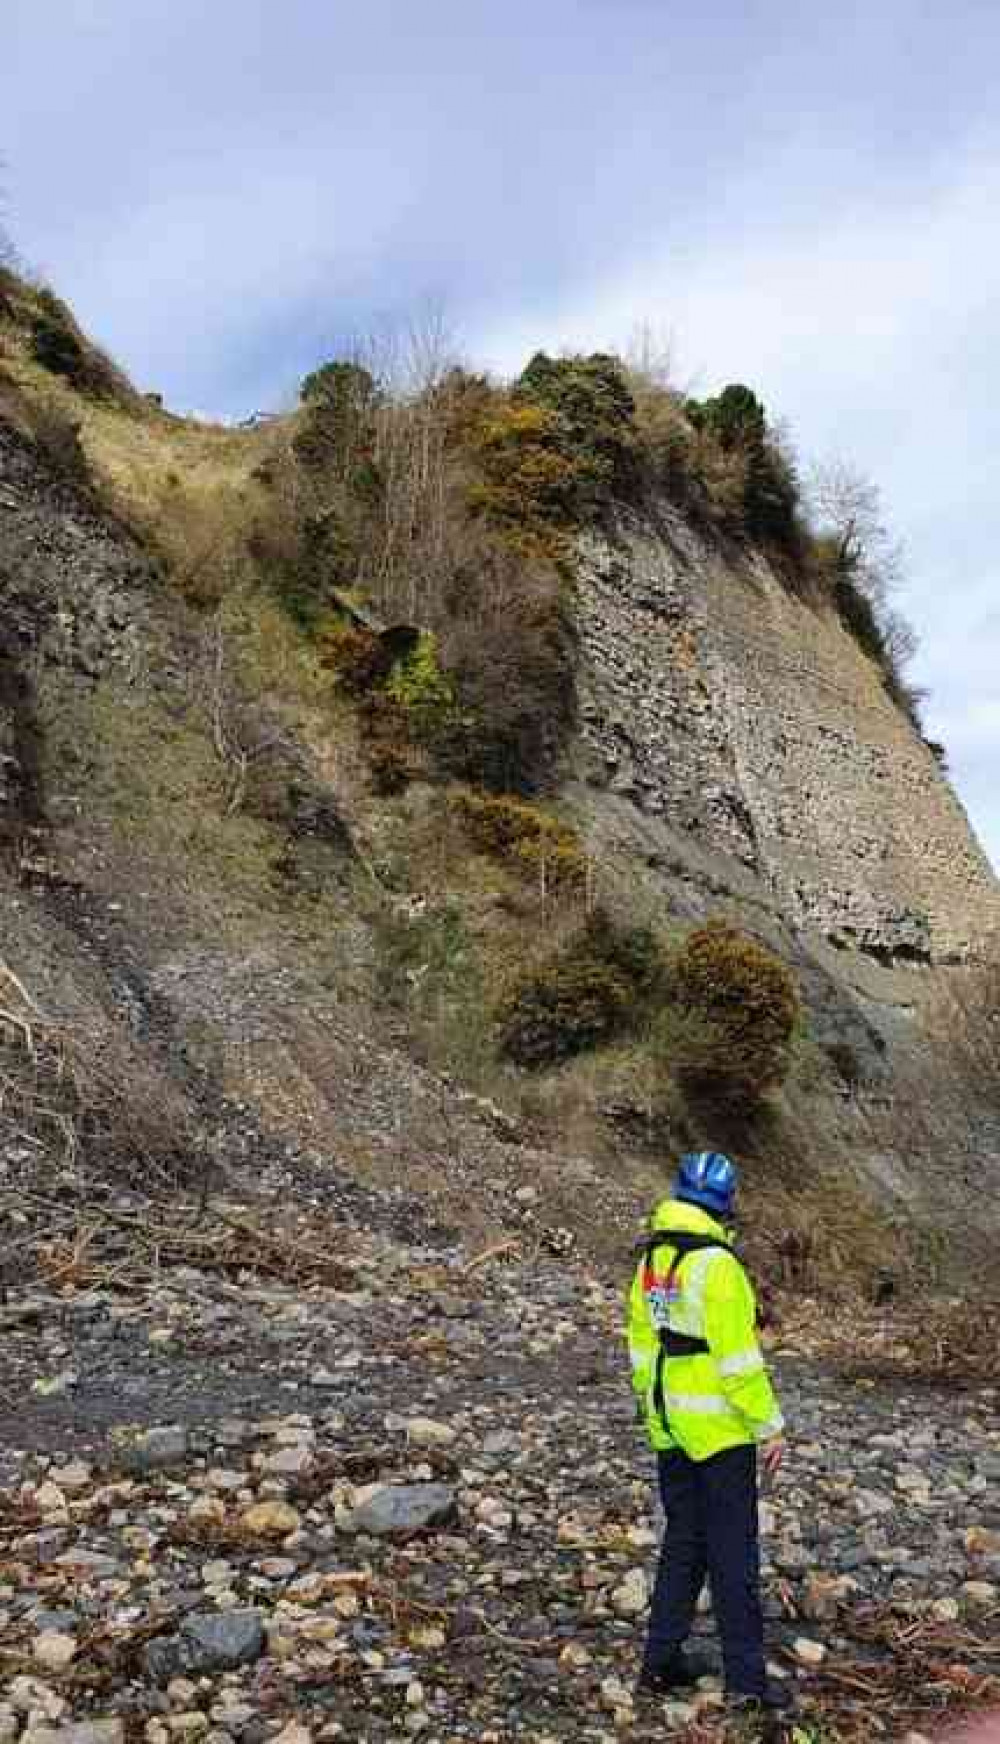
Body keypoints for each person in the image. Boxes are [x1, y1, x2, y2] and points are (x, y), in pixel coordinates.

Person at [626, 1150, 790, 1713]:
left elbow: (642, 1347)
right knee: (733, 1558)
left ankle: (659, 1664)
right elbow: (739, 1361)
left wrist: (657, 1421)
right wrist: (769, 1426)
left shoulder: (653, 1259)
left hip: (672, 1425)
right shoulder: (720, 1267)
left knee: (682, 1546)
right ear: (725, 1203)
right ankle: (748, 1684)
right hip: (720, 1431)